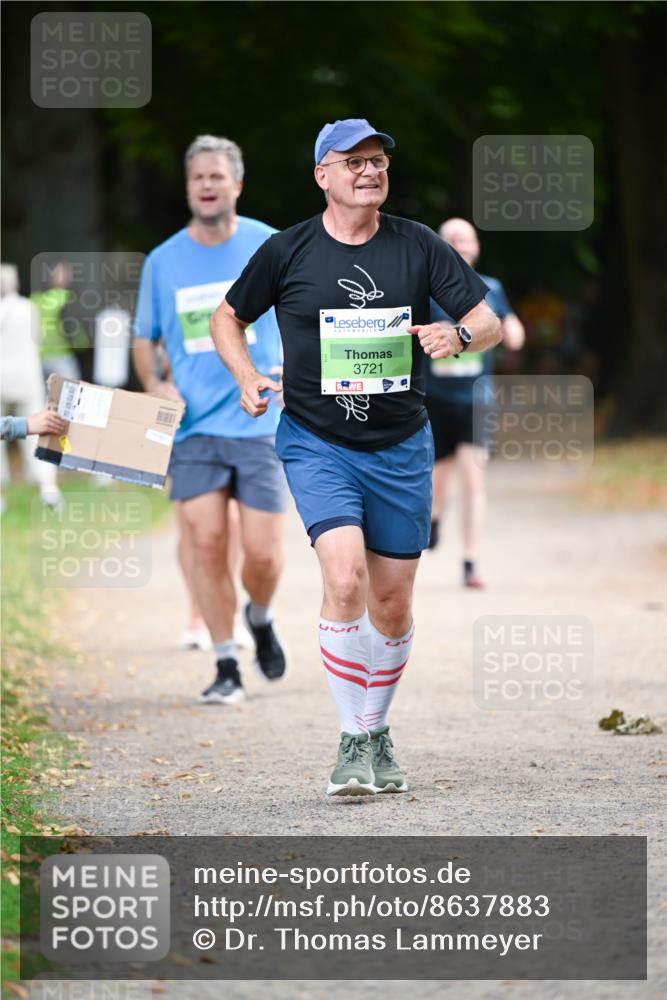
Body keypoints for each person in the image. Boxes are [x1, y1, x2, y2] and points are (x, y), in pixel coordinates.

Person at [211, 119, 501, 796]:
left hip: (401, 445)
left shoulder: (418, 246)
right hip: (316, 440)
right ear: (323, 176)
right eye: (352, 162)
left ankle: (375, 729)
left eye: (376, 161)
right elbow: (227, 318)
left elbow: (485, 321)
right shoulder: (288, 251)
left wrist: (455, 334)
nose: (368, 171)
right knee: (344, 581)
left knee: (392, 603)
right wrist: (246, 377)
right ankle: (348, 742)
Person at [133, 135, 288, 705]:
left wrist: (293, 366)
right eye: (197, 176)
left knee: (265, 554)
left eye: (216, 176)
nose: (205, 185)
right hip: (194, 429)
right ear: (187, 187)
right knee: (206, 544)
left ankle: (261, 616)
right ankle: (226, 662)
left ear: (236, 185)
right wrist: (154, 382)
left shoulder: (269, 244)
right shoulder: (163, 260)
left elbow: (304, 315)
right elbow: (144, 339)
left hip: (261, 419)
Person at [424, 218, 525, 588]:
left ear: (477, 246)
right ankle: (433, 518)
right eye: (453, 241)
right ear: (442, 247)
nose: (462, 246)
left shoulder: (491, 288)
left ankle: (470, 561)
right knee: (439, 476)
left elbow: (511, 327)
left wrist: (512, 331)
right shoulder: (428, 288)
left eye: (467, 240)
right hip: (435, 398)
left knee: (472, 476)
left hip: (475, 399)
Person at [0, 263, 65, 509]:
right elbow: (37, 341)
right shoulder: (29, 308)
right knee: (39, 432)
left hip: (1, 378)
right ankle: (48, 487)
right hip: (27, 377)